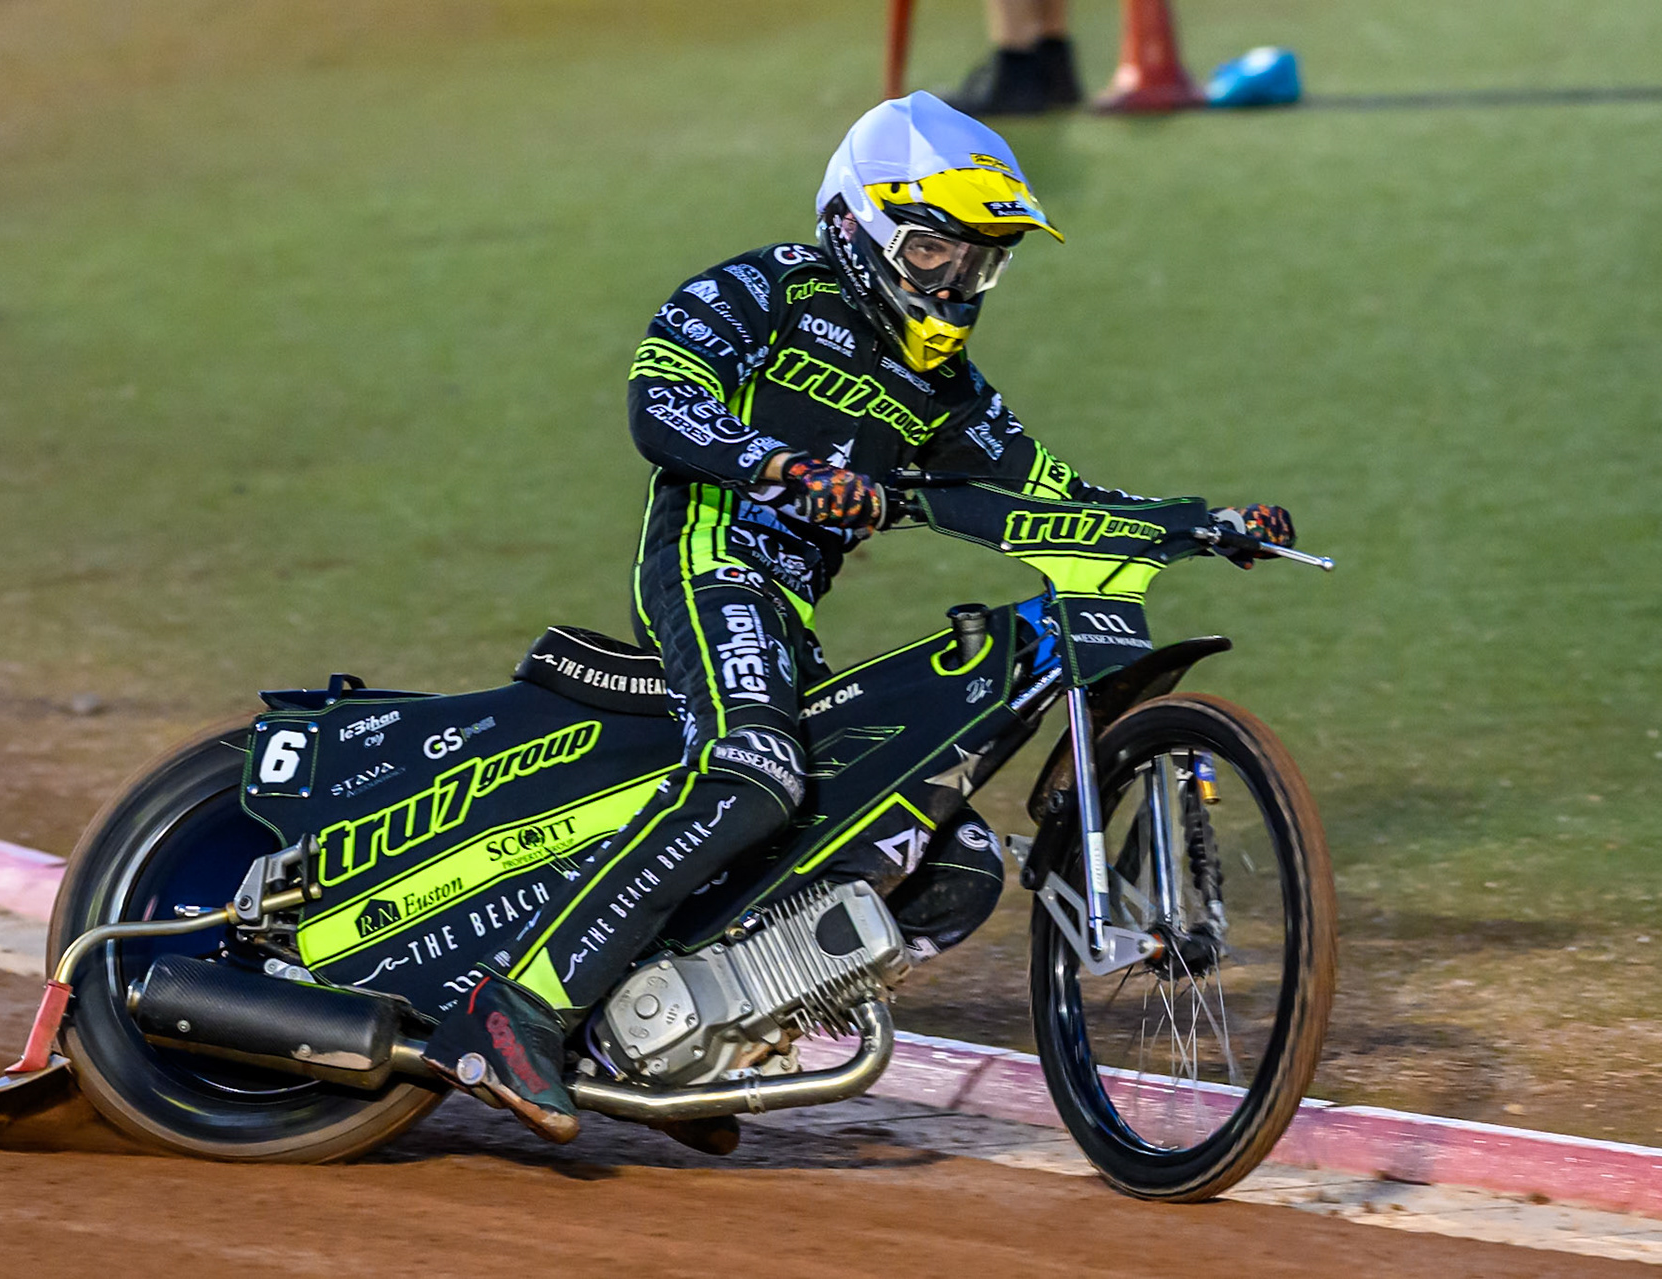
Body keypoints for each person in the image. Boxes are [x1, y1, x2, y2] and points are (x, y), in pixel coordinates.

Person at [424, 91, 1295, 1146]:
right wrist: (783, 469)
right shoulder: (765, 287)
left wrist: (1205, 524)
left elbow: (1058, 498)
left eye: (979, 264)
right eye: (936, 254)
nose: (956, 285)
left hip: (790, 615)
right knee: (755, 770)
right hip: (712, 566)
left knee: (953, 865)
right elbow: (662, 402)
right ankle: (517, 1005)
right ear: (860, 226)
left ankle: (693, 1036)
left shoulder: (947, 388)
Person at [945, 0, 1084, 116]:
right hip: (1054, 56)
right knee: (1048, 43)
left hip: (1018, 67)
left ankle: (1016, 66)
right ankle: (1052, 66)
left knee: (1018, 47)